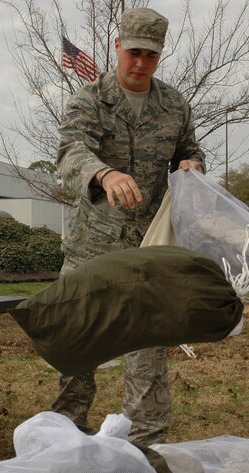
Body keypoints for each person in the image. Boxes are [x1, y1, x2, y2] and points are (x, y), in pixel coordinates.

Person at [54, 6, 206, 445]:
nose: (140, 63)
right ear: (117, 47)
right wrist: (106, 173)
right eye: (134, 52)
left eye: (151, 56)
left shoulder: (174, 104)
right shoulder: (88, 100)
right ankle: (65, 435)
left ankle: (146, 445)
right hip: (92, 248)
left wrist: (192, 163)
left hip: (148, 247)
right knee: (78, 345)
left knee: (147, 347)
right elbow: (69, 154)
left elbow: (189, 149)